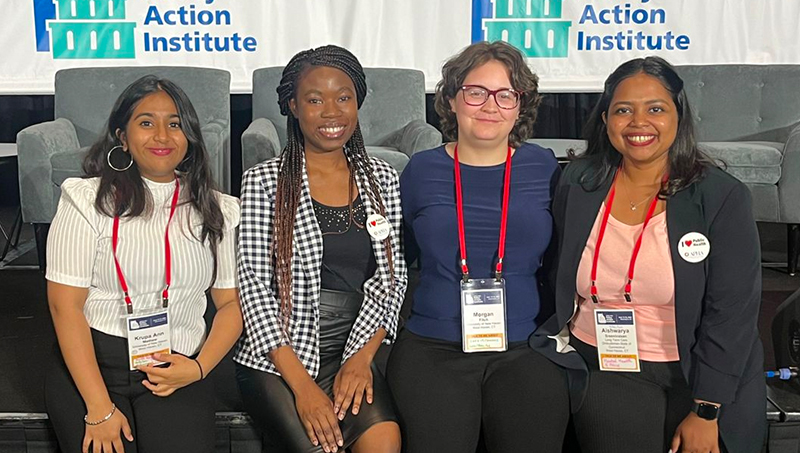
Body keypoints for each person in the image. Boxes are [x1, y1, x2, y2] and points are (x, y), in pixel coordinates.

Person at [533, 56, 766, 453]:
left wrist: (707, 410)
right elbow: (554, 268)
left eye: (655, 108)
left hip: (699, 376)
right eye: (624, 110)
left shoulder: (720, 196)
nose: (639, 122)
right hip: (606, 366)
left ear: (679, 116)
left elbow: (732, 313)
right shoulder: (578, 182)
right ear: (605, 119)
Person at [386, 40, 568, 453]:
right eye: (476, 92)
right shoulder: (421, 170)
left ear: (520, 106)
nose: (491, 105)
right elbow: (404, 252)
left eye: (506, 94)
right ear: (451, 99)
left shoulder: (542, 167)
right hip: (434, 347)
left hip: (525, 346)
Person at [44, 75, 242, 453]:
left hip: (177, 367)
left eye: (175, 124)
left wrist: (198, 368)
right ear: (122, 136)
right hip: (94, 363)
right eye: (146, 122)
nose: (163, 136)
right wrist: (99, 409)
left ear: (191, 137)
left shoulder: (219, 209)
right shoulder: (84, 200)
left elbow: (231, 306)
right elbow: (63, 306)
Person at [234, 45, 407, 453]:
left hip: (354, 344)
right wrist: (305, 390)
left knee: (386, 441)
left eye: (343, 98)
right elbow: (255, 290)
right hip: (281, 355)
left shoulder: (382, 178)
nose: (332, 112)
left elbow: (392, 279)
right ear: (293, 106)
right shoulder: (264, 181)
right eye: (315, 100)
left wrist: (362, 360)